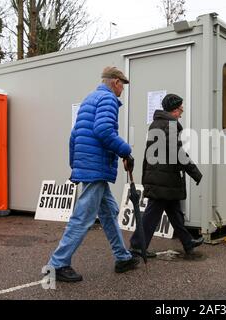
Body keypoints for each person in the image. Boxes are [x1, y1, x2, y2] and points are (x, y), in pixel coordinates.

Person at [47, 67, 139, 282]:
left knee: (108, 212)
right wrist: (125, 151)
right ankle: (57, 264)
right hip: (95, 166)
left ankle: (122, 257)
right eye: (122, 85)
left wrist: (76, 164)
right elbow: (104, 130)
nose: (122, 90)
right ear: (115, 82)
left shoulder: (89, 99)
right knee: (83, 217)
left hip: (88, 164)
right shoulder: (108, 100)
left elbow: (75, 135)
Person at [129, 93, 204, 258]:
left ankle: (187, 242)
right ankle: (136, 246)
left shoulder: (157, 123)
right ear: (172, 110)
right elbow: (177, 153)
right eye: (180, 109)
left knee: (174, 212)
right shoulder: (169, 124)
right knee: (152, 213)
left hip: (160, 176)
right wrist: (195, 172)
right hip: (163, 178)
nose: (181, 112)